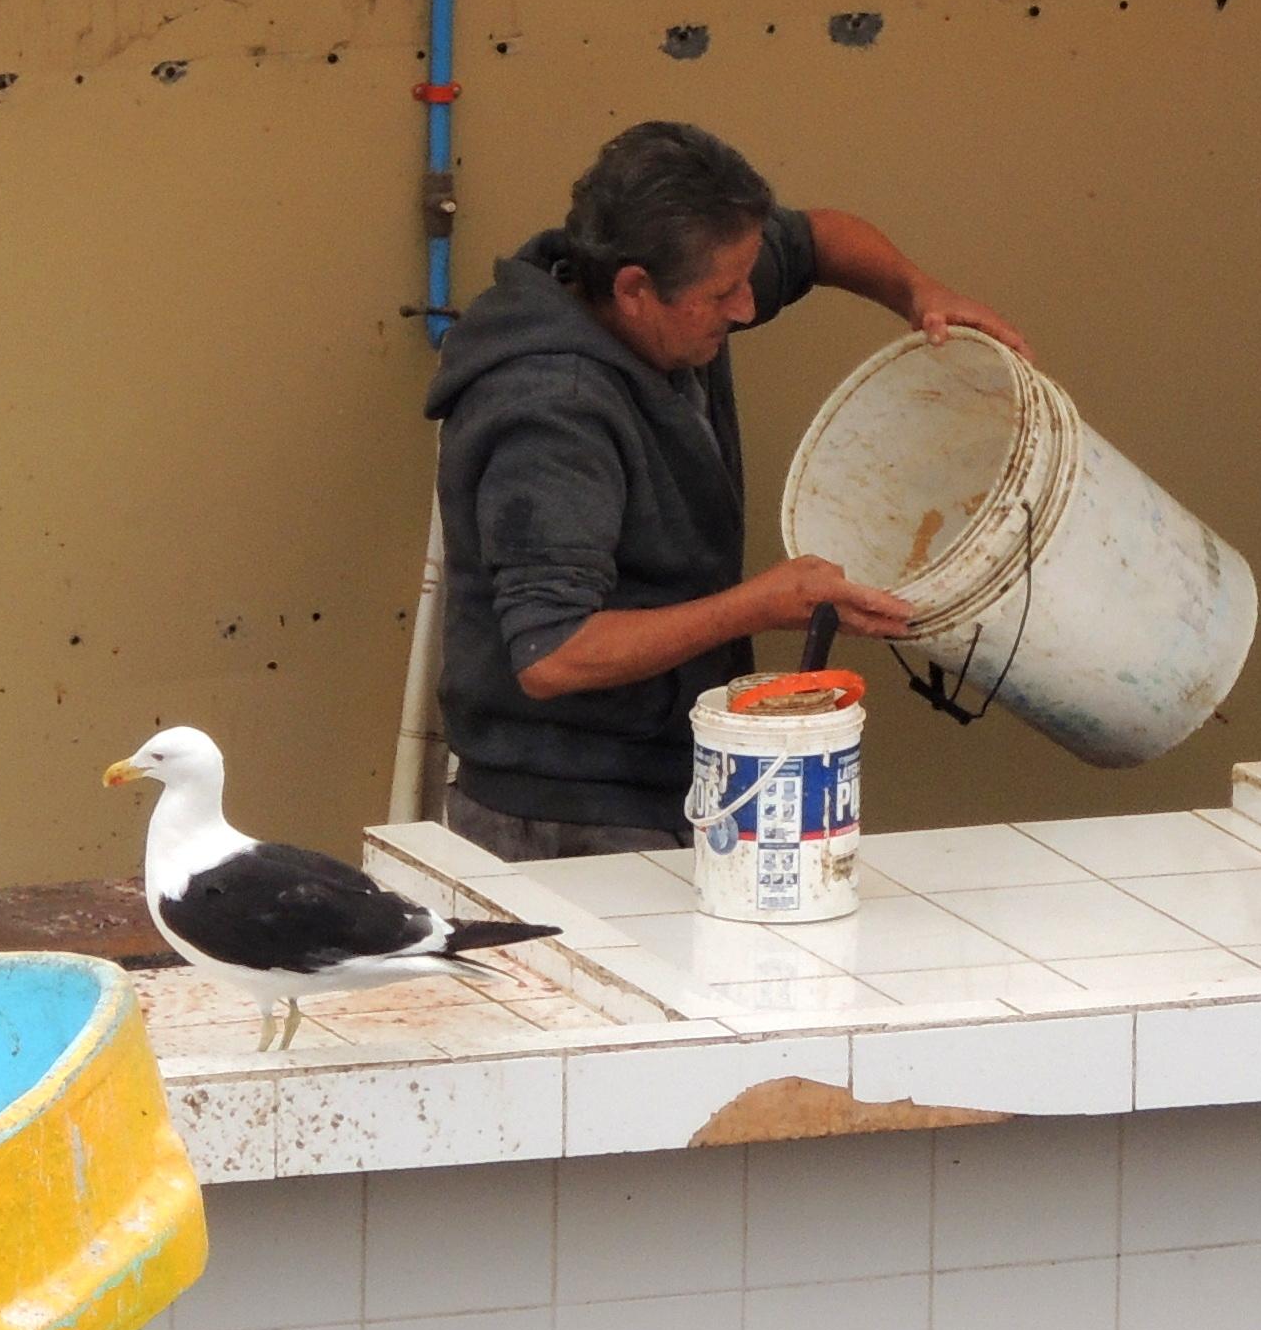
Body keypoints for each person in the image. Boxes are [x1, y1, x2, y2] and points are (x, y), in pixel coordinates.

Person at [426, 118, 1024, 860]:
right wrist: (762, 606)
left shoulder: (674, 278)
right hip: (566, 812)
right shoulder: (554, 414)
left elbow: (818, 239)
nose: (746, 308)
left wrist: (918, 291)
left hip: (677, 767)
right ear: (635, 289)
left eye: (747, 279)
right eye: (723, 294)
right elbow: (555, 653)